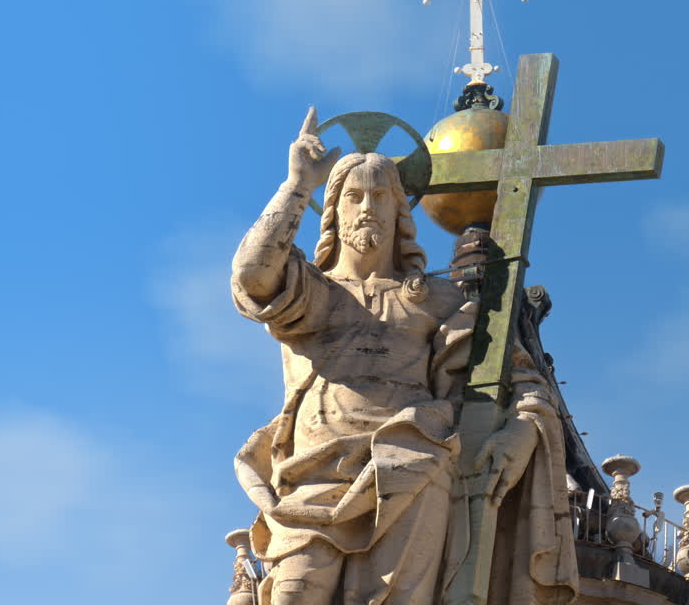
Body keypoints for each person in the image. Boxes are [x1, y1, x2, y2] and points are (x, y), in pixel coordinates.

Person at [230, 109, 575, 605]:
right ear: (334, 210)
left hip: (414, 469)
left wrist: (520, 434)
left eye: (379, 196)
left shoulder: (440, 302)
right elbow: (250, 277)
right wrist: (297, 185)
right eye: (353, 196)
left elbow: (522, 382)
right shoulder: (312, 293)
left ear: (399, 211)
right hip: (311, 474)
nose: (366, 207)